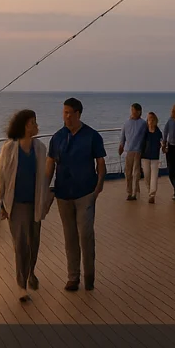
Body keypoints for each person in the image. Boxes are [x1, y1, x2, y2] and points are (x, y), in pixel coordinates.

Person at [47, 97, 106, 291]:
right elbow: (50, 166)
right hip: (63, 194)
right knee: (70, 237)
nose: (66, 116)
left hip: (85, 193)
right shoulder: (57, 138)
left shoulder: (92, 136)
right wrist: (44, 190)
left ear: (78, 114)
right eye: (64, 112)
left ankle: (89, 276)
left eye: (70, 113)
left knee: (86, 235)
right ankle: (73, 277)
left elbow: (100, 164)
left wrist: (97, 189)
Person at [0, 110, 52, 303]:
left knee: (33, 243)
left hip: (34, 202)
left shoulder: (40, 148)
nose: (36, 125)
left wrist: (46, 200)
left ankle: (31, 273)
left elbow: (44, 178)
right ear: (24, 126)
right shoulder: (9, 149)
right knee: (20, 244)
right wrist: (2, 205)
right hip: (16, 203)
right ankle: (21, 285)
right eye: (33, 122)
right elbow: (1, 177)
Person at [118, 103, 146, 201]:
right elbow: (123, 135)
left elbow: (146, 137)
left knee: (136, 172)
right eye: (132, 110)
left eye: (135, 110)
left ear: (139, 112)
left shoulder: (143, 123)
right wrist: (121, 146)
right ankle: (129, 192)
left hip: (138, 151)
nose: (133, 112)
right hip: (128, 150)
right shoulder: (126, 123)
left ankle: (135, 192)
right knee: (128, 172)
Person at [141, 112, 163, 204]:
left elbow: (162, 142)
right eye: (149, 119)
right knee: (146, 175)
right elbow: (141, 143)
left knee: (154, 176)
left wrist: (164, 146)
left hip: (155, 157)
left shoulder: (158, 132)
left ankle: (152, 194)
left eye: (152, 119)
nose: (151, 120)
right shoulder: (145, 131)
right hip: (145, 156)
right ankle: (149, 190)